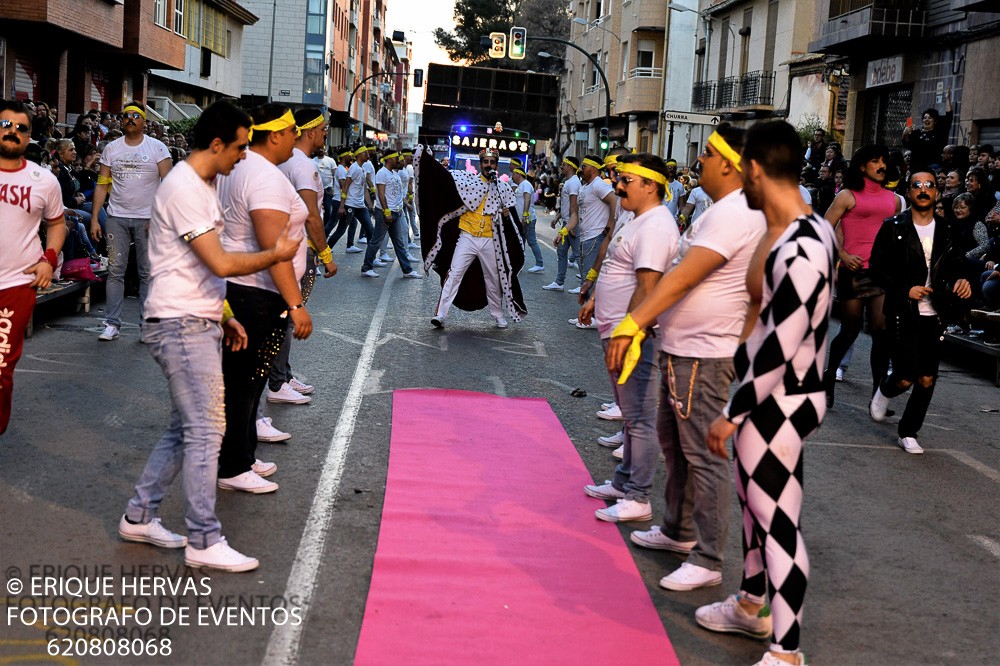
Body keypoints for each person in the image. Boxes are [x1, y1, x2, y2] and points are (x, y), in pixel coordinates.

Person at [120, 100, 300, 572]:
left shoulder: (203, 183)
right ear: (217, 143)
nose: (245, 156)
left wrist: (222, 313)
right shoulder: (184, 187)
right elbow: (219, 261)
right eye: (240, 147)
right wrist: (274, 254)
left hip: (193, 319)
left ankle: (140, 515)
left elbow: (196, 266)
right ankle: (203, 538)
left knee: (187, 428)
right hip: (179, 324)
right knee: (207, 429)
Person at [606, 125, 766, 591]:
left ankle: (709, 557)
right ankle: (678, 531)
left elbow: (681, 278)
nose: (698, 165)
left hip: (702, 353)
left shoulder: (734, 213)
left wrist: (633, 324)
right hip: (684, 348)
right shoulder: (722, 210)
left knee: (703, 456)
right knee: (676, 446)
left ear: (730, 163)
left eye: (707, 156)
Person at [702, 120, 837, 666]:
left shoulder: (802, 245)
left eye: (743, 173)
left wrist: (732, 412)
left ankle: (785, 652)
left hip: (780, 401)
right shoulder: (798, 234)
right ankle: (752, 605)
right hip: (776, 397)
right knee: (759, 511)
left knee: (776, 519)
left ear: (754, 170)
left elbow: (783, 343)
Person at [575, 153, 678, 523]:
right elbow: (617, 268)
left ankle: (638, 497)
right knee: (632, 418)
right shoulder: (635, 218)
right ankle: (623, 483)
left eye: (626, 181)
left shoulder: (654, 226)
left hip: (634, 334)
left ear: (651, 185)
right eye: (618, 179)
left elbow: (647, 287)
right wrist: (593, 297)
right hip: (615, 328)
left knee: (639, 418)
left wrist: (628, 333)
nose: (617, 186)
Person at [215, 103, 312, 494]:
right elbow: (275, 247)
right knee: (243, 383)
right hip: (255, 293)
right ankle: (232, 466)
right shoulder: (264, 177)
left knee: (246, 383)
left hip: (243, 288)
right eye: (292, 132)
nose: (295, 139)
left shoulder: (242, 168)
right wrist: (296, 304)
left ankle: (241, 454)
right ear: (275, 135)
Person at [868, 171, 972, 454]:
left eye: (929, 186)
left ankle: (909, 432)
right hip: (903, 311)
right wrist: (905, 290)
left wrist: (963, 280)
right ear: (909, 191)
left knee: (926, 377)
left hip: (936, 311)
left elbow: (959, 263)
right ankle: (885, 390)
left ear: (937, 191)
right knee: (904, 377)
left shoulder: (947, 229)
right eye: (917, 186)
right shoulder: (893, 226)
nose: (923, 190)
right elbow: (876, 269)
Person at [0, 100, 67, 435]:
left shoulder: (44, 180)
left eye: (20, 128)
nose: (12, 132)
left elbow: (58, 224)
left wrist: (48, 260)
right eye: (5, 125)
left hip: (16, 285)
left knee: (0, 368)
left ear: (29, 137)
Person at [267, 108, 338, 405]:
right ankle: (276, 385)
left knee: (282, 315)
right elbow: (312, 217)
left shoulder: (286, 161)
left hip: (284, 245)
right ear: (310, 132)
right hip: (298, 250)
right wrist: (326, 255)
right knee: (286, 316)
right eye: (323, 130)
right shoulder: (303, 166)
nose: (325, 135)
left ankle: (282, 374)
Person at [822, 145, 900, 406]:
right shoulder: (847, 195)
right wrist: (842, 255)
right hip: (853, 271)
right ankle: (830, 375)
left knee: (881, 331)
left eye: (884, 161)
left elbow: (898, 237)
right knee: (850, 328)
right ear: (861, 166)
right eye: (875, 161)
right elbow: (825, 227)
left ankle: (878, 395)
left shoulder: (895, 199)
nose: (881, 166)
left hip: (882, 274)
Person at [416, 146, 527, 329]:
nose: (488, 165)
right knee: (454, 274)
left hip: (489, 240)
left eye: (492, 162)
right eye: (485, 162)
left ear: (496, 166)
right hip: (467, 237)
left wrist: (506, 215)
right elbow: (443, 180)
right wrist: (428, 160)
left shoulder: (503, 189)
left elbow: (513, 223)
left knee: (493, 279)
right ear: (480, 163)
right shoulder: (467, 182)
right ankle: (441, 315)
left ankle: (498, 315)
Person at [89, 101, 172, 342]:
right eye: (126, 115)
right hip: (116, 218)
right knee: (115, 270)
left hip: (148, 219)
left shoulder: (157, 148)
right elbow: (102, 184)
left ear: (144, 121)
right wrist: (95, 218)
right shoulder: (112, 149)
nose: (130, 119)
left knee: (147, 273)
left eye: (136, 116)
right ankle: (112, 324)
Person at [363, 150, 422, 279]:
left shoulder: (395, 174)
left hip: (396, 212)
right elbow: (381, 194)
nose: (398, 160)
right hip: (385, 213)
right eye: (396, 158)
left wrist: (402, 207)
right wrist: (387, 211)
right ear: (389, 159)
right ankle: (366, 268)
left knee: (399, 243)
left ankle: (407, 270)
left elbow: (398, 194)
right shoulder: (382, 173)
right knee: (376, 241)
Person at [563, 155, 616, 295]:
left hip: (595, 237)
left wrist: (610, 225)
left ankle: (589, 315)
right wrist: (564, 230)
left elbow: (614, 201)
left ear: (593, 169)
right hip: (585, 238)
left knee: (589, 277)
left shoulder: (598, 184)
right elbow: (576, 214)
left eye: (584, 166)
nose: (581, 169)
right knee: (585, 275)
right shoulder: (585, 187)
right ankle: (587, 313)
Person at [543, 157, 582, 291]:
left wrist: (572, 224)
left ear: (570, 167)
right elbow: (566, 205)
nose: (561, 167)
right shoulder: (569, 182)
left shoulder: (573, 183)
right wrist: (558, 217)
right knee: (561, 251)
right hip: (567, 222)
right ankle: (559, 282)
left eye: (564, 165)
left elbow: (574, 205)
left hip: (571, 223)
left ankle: (584, 284)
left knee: (578, 254)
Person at [902, 89, 952, 170]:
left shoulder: (939, 132)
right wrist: (905, 134)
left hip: (933, 167)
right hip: (916, 167)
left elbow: (949, 117)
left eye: (930, 118)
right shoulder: (916, 133)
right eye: (925, 118)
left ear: (935, 121)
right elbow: (907, 144)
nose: (926, 120)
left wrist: (947, 99)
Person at [511, 166, 544, 273]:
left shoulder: (525, 184)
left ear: (519, 175)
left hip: (528, 219)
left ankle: (539, 263)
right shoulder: (521, 185)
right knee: (521, 240)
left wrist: (525, 215)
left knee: (531, 241)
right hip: (522, 219)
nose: (512, 176)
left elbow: (527, 198)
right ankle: (519, 262)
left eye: (514, 174)